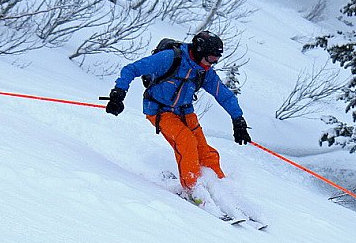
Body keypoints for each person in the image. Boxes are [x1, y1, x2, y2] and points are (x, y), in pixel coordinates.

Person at [103, 30, 251, 191]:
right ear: (199, 50)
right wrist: (118, 94)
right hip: (159, 110)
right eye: (210, 59)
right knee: (186, 142)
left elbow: (224, 95)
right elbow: (131, 69)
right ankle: (193, 189)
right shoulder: (169, 58)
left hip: (185, 111)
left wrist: (238, 120)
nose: (212, 64)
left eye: (216, 60)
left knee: (205, 151)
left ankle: (221, 188)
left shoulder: (204, 71)